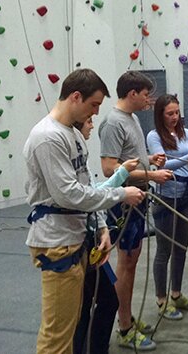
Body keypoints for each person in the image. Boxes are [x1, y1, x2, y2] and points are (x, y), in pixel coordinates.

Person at [24, 69, 145, 354]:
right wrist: (120, 194)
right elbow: (68, 193)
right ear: (76, 97)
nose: (95, 113)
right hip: (57, 242)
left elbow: (85, 182)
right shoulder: (48, 137)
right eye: (93, 105)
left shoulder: (72, 135)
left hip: (77, 237)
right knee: (57, 335)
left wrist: (102, 226)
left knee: (74, 323)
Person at [99, 71, 174, 351]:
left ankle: (126, 317)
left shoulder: (130, 119)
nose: (148, 100)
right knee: (126, 263)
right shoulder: (112, 122)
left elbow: (126, 160)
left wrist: (148, 160)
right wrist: (152, 176)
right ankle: (124, 327)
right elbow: (109, 169)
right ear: (132, 93)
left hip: (138, 197)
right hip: (123, 201)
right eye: (145, 94)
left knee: (131, 261)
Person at [72, 117, 139, 354]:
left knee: (105, 300)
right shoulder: (68, 154)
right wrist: (121, 185)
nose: (92, 124)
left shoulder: (81, 155)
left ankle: (95, 348)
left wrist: (101, 227)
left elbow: (91, 193)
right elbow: (87, 196)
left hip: (89, 237)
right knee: (82, 308)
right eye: (88, 120)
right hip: (75, 243)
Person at [146, 95, 188, 320]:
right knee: (164, 250)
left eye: (176, 113)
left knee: (181, 247)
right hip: (166, 198)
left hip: (185, 197)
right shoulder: (154, 137)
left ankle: (176, 293)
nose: (174, 117)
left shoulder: (186, 133)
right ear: (160, 115)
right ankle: (161, 299)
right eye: (169, 114)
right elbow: (161, 164)